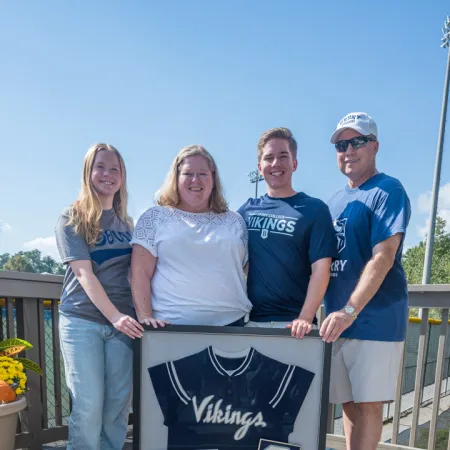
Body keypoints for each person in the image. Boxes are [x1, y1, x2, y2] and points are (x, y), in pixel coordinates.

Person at [320, 112, 411, 450]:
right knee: (346, 402)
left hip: (374, 319)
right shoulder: (333, 202)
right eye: (341, 144)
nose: (348, 150)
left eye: (357, 141)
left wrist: (349, 309)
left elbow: (383, 256)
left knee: (369, 405)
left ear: (375, 146)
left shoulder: (388, 190)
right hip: (339, 322)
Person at [55, 143, 143, 450]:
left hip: (124, 326)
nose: (107, 174)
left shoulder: (128, 224)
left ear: (122, 176)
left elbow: (137, 276)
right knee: (89, 404)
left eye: (114, 169)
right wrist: (116, 317)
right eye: (100, 167)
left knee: (117, 407)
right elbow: (84, 274)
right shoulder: (72, 217)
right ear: (88, 172)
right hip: (82, 321)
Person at [130, 144, 252, 327]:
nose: (195, 180)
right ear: (176, 178)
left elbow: (248, 270)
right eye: (188, 174)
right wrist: (145, 318)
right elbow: (139, 273)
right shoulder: (154, 217)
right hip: (170, 327)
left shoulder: (235, 221)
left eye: (203, 174)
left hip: (233, 326)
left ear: (213, 179)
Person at [237, 127, 337, 338]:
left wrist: (305, 317)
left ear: (294, 163)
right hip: (251, 323)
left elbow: (321, 269)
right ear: (259, 166)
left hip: (296, 327)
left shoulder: (314, 210)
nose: (275, 164)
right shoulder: (246, 211)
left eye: (283, 156)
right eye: (269, 158)